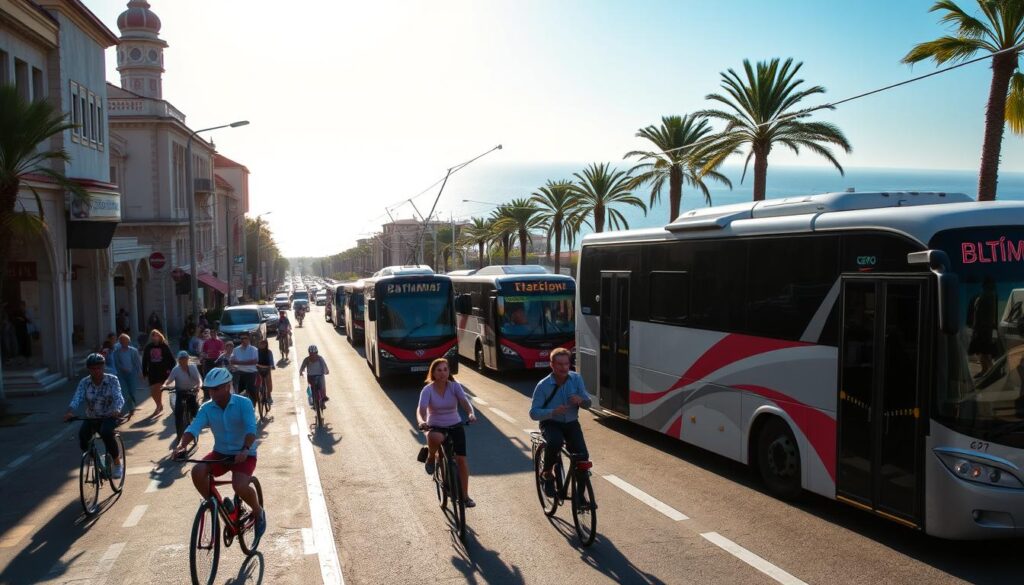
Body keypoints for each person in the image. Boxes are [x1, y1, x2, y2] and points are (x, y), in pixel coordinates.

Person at [173, 367, 266, 541]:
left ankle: (258, 511)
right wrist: (181, 446)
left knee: (239, 486)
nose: (212, 393)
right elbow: (194, 427)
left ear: (227, 386)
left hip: (244, 454)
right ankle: (219, 505)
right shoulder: (207, 408)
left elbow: (251, 430)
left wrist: (245, 449)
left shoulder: (243, 403)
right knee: (197, 471)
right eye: (209, 389)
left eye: (216, 389)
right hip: (221, 453)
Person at [529, 347, 592, 498]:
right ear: (552, 365)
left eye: (566, 364)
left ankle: (580, 496)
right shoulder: (543, 385)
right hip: (551, 423)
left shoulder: (576, 379)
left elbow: (588, 403)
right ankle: (547, 473)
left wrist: (581, 401)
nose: (564, 367)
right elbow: (533, 413)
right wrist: (552, 412)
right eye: (560, 364)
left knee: (582, 456)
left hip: (571, 423)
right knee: (555, 442)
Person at [416, 358, 477, 507]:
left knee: (461, 460)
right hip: (435, 425)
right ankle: (431, 457)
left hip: (455, 424)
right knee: (435, 436)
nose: (442, 373)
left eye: (445, 369)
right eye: (439, 370)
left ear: (448, 371)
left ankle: (465, 496)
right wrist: (421, 421)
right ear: (433, 373)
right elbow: (421, 409)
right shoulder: (428, 390)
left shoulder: (455, 387)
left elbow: (464, 402)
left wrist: (470, 413)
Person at [63, 353, 125, 479]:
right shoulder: (84, 382)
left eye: (99, 368)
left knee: (106, 433)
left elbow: (119, 397)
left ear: (103, 367)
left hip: (109, 416)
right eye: (93, 368)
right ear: (89, 369)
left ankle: (117, 463)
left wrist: (117, 410)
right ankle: (96, 460)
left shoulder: (112, 379)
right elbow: (77, 397)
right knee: (82, 437)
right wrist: (70, 411)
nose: (96, 371)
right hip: (92, 417)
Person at [163, 350, 203, 443]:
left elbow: (199, 380)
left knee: (195, 411)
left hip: (191, 391)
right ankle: (179, 435)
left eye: (185, 359)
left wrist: (199, 386)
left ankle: (195, 427)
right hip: (180, 392)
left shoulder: (192, 367)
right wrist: (165, 385)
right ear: (178, 360)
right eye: (181, 359)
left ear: (188, 359)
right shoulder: (176, 369)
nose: (183, 361)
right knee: (178, 413)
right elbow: (169, 379)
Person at [142, 329, 175, 417]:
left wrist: (170, 370)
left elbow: (172, 359)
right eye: (153, 335)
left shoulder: (164, 346)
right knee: (153, 391)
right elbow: (144, 360)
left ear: (159, 336)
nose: (154, 337)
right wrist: (144, 372)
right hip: (152, 371)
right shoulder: (148, 347)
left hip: (162, 371)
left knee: (157, 388)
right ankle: (159, 404)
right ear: (151, 337)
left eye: (156, 335)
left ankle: (158, 406)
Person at [110, 334, 142, 413]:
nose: (126, 343)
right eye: (124, 341)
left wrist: (140, 372)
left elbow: (137, 362)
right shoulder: (116, 352)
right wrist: (122, 368)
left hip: (132, 373)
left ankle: (132, 403)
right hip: (121, 375)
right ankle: (130, 408)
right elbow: (117, 363)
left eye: (127, 341)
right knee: (125, 391)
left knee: (132, 390)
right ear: (120, 342)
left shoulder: (133, 351)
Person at [230, 333, 260, 404]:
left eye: (245, 338)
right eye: (242, 339)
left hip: (251, 372)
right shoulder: (236, 350)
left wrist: (239, 362)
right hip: (240, 372)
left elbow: (255, 361)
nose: (243, 340)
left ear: (249, 339)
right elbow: (232, 361)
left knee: (251, 389)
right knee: (237, 390)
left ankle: (253, 405)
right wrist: (246, 362)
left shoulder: (254, 350)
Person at [256, 339, 275, 405]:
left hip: (267, 369)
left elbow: (271, 360)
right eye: (261, 344)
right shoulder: (256, 352)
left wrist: (272, 366)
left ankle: (269, 396)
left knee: (268, 382)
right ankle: (260, 393)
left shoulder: (269, 352)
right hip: (258, 369)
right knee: (258, 382)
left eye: (264, 344)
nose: (262, 345)